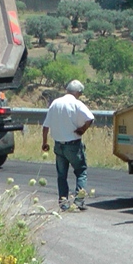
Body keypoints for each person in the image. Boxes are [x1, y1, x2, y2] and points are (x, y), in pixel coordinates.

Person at [42, 80, 94, 212]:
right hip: (73, 144)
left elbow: (45, 126)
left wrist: (45, 142)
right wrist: (82, 130)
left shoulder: (55, 103)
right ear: (78, 92)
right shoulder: (76, 103)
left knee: (61, 175)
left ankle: (64, 203)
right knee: (81, 172)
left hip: (58, 145)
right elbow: (90, 118)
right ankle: (79, 201)